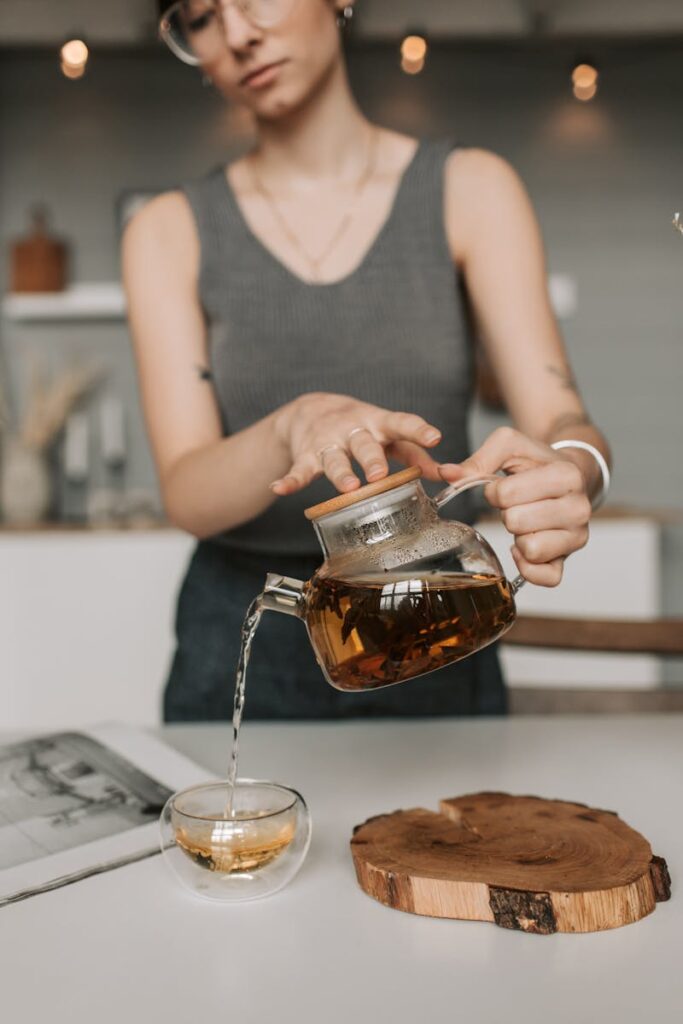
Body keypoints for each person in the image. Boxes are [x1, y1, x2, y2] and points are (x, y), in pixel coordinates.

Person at [122, 0, 611, 721]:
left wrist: (574, 472)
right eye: (199, 16)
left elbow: (560, 418)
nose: (236, 33)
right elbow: (188, 491)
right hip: (247, 630)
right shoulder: (166, 230)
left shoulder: (471, 189)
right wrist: (293, 424)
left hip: (437, 612)